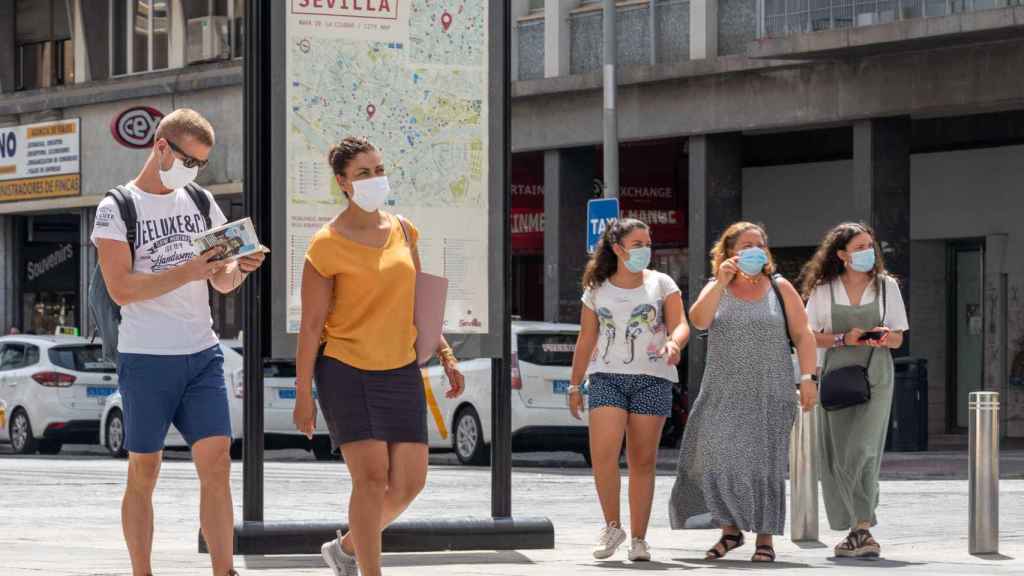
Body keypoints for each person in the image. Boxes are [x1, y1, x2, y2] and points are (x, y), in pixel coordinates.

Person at [92, 108, 264, 576]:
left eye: (201, 164)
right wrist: (192, 269)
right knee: (144, 471)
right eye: (189, 159)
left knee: (217, 464)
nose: (193, 171)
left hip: (201, 353)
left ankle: (224, 570)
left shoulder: (199, 199)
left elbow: (222, 282)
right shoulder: (117, 207)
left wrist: (237, 270)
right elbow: (122, 288)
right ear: (161, 147)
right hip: (146, 358)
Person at [294, 136, 465, 576]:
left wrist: (445, 353)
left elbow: (417, 302)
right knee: (370, 480)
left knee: (410, 484)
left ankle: (346, 547)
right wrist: (302, 395)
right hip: (346, 369)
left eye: (378, 170)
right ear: (342, 183)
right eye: (362, 173)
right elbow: (312, 326)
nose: (374, 179)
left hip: (400, 368)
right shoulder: (325, 244)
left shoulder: (405, 230)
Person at [669, 222, 817, 563]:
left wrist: (808, 377)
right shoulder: (715, 287)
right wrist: (720, 281)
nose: (755, 250)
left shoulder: (779, 288)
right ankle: (730, 530)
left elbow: (804, 334)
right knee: (719, 458)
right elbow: (699, 321)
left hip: (771, 389)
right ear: (728, 252)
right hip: (723, 389)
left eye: (760, 244)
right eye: (747, 244)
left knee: (765, 464)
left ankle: (764, 537)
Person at [567, 218, 689, 562]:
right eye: (637, 244)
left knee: (642, 460)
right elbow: (586, 337)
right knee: (604, 455)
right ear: (618, 249)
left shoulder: (662, 283)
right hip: (606, 376)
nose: (645, 250)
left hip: (653, 376)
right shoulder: (597, 288)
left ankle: (639, 539)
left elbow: (681, 323)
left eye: (648, 243)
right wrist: (576, 383)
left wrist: (674, 343)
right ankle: (612, 526)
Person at [799, 222, 908, 559]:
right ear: (842, 254)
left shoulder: (887, 287)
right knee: (838, 454)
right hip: (836, 375)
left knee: (864, 450)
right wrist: (843, 340)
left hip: (876, 374)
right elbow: (807, 335)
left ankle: (862, 525)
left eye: (870, 246)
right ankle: (856, 531)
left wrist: (880, 336)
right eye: (859, 247)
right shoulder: (824, 290)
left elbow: (899, 337)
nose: (867, 253)